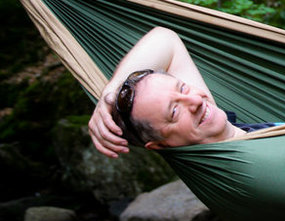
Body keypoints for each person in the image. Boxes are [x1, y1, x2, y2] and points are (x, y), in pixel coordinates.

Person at [88, 26, 272, 157]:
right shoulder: (246, 166)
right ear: (161, 144)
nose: (196, 101)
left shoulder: (215, 126)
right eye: (174, 112)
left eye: (182, 88)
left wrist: (109, 95)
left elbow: (166, 39)